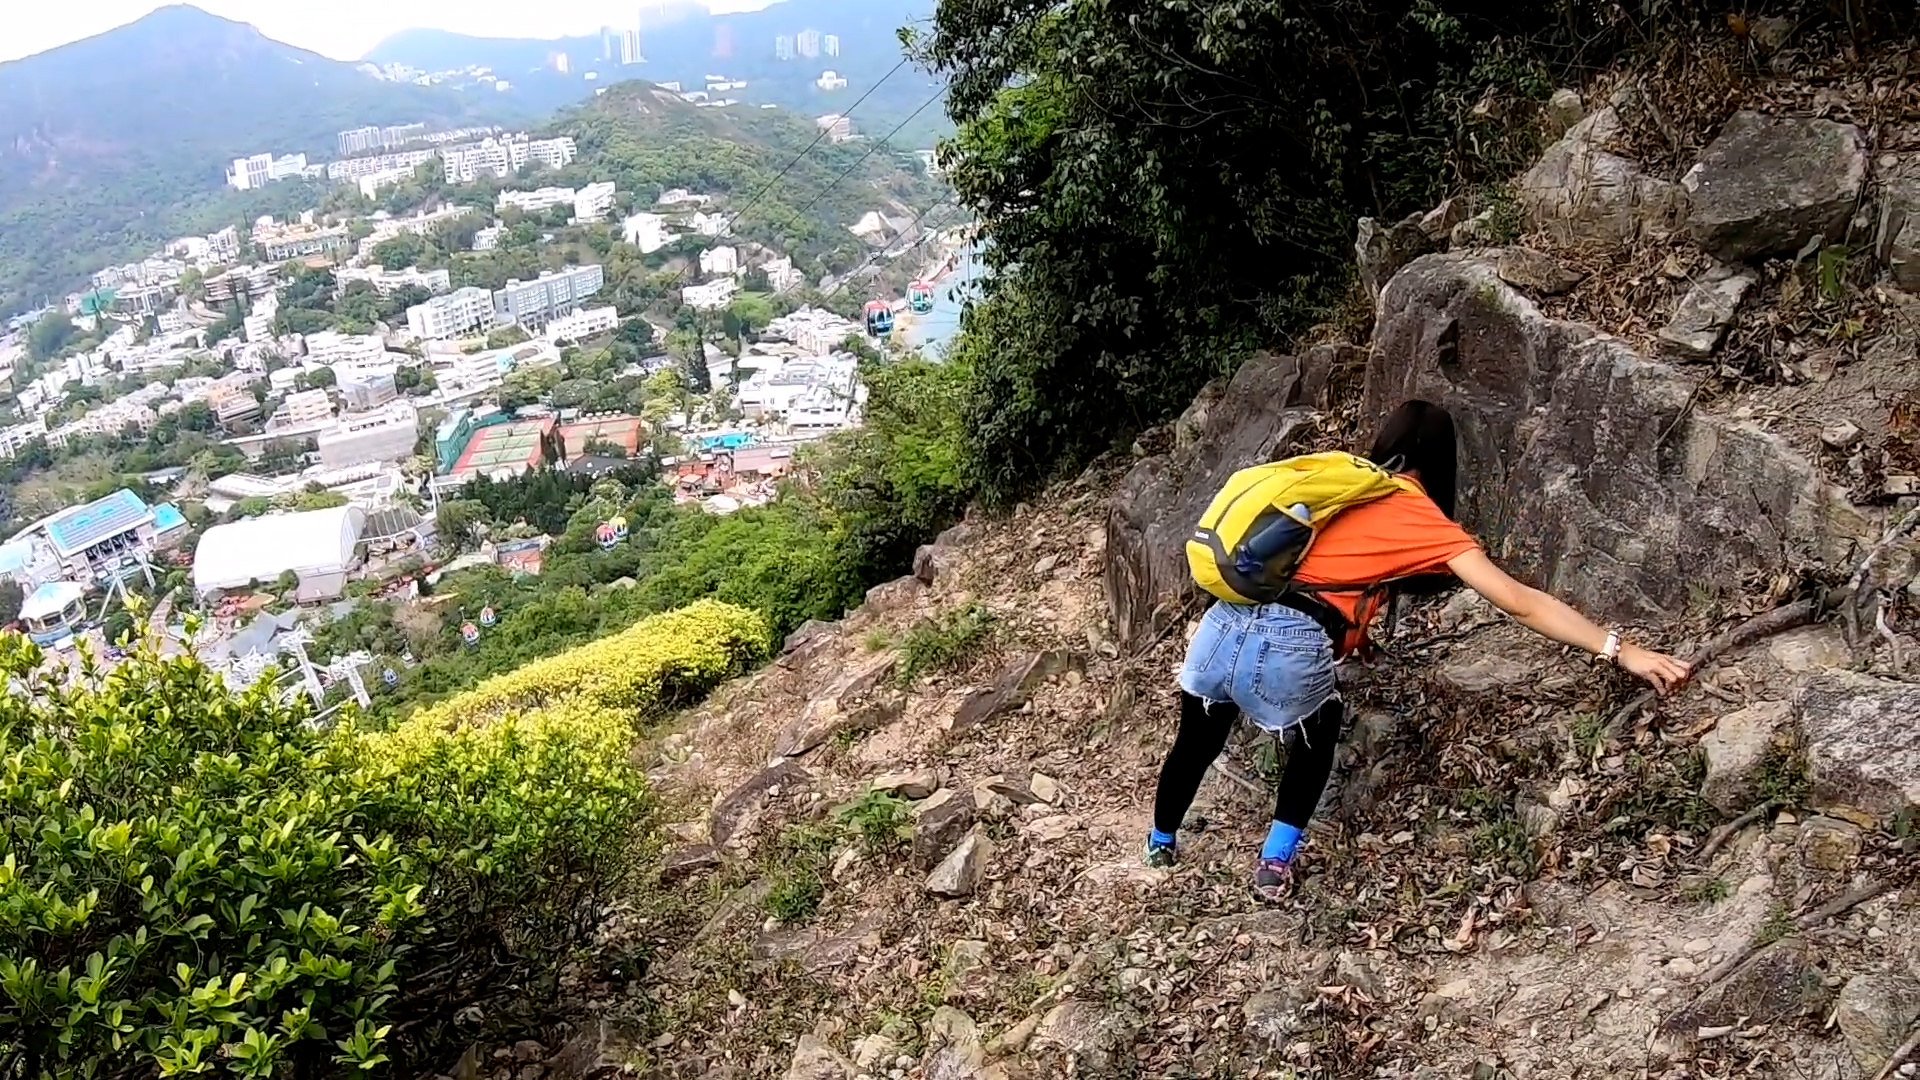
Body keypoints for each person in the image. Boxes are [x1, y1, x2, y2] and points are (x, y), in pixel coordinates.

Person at [1145, 400, 1692, 901]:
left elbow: (1324, 573)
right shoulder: (1418, 513)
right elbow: (1518, 602)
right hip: (1289, 643)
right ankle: (1273, 864)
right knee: (1319, 731)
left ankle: (1160, 841)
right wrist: (1620, 649)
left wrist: (1356, 640)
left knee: (1196, 739)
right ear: (1442, 463)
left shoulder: (1342, 488)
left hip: (1221, 622)